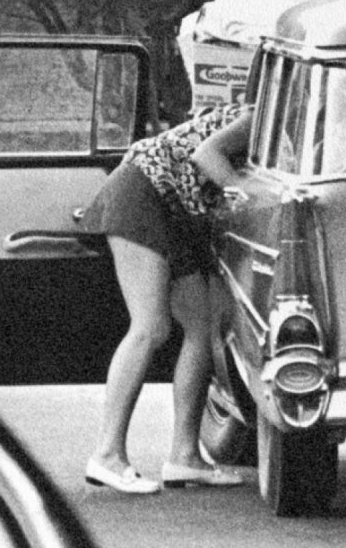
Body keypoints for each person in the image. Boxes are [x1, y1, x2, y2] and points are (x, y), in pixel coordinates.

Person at [79, 102, 259, 493]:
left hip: (177, 209)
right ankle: (107, 455)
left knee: (204, 323)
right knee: (150, 327)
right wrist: (251, 199)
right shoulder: (256, 116)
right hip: (142, 191)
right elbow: (205, 154)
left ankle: (185, 457)